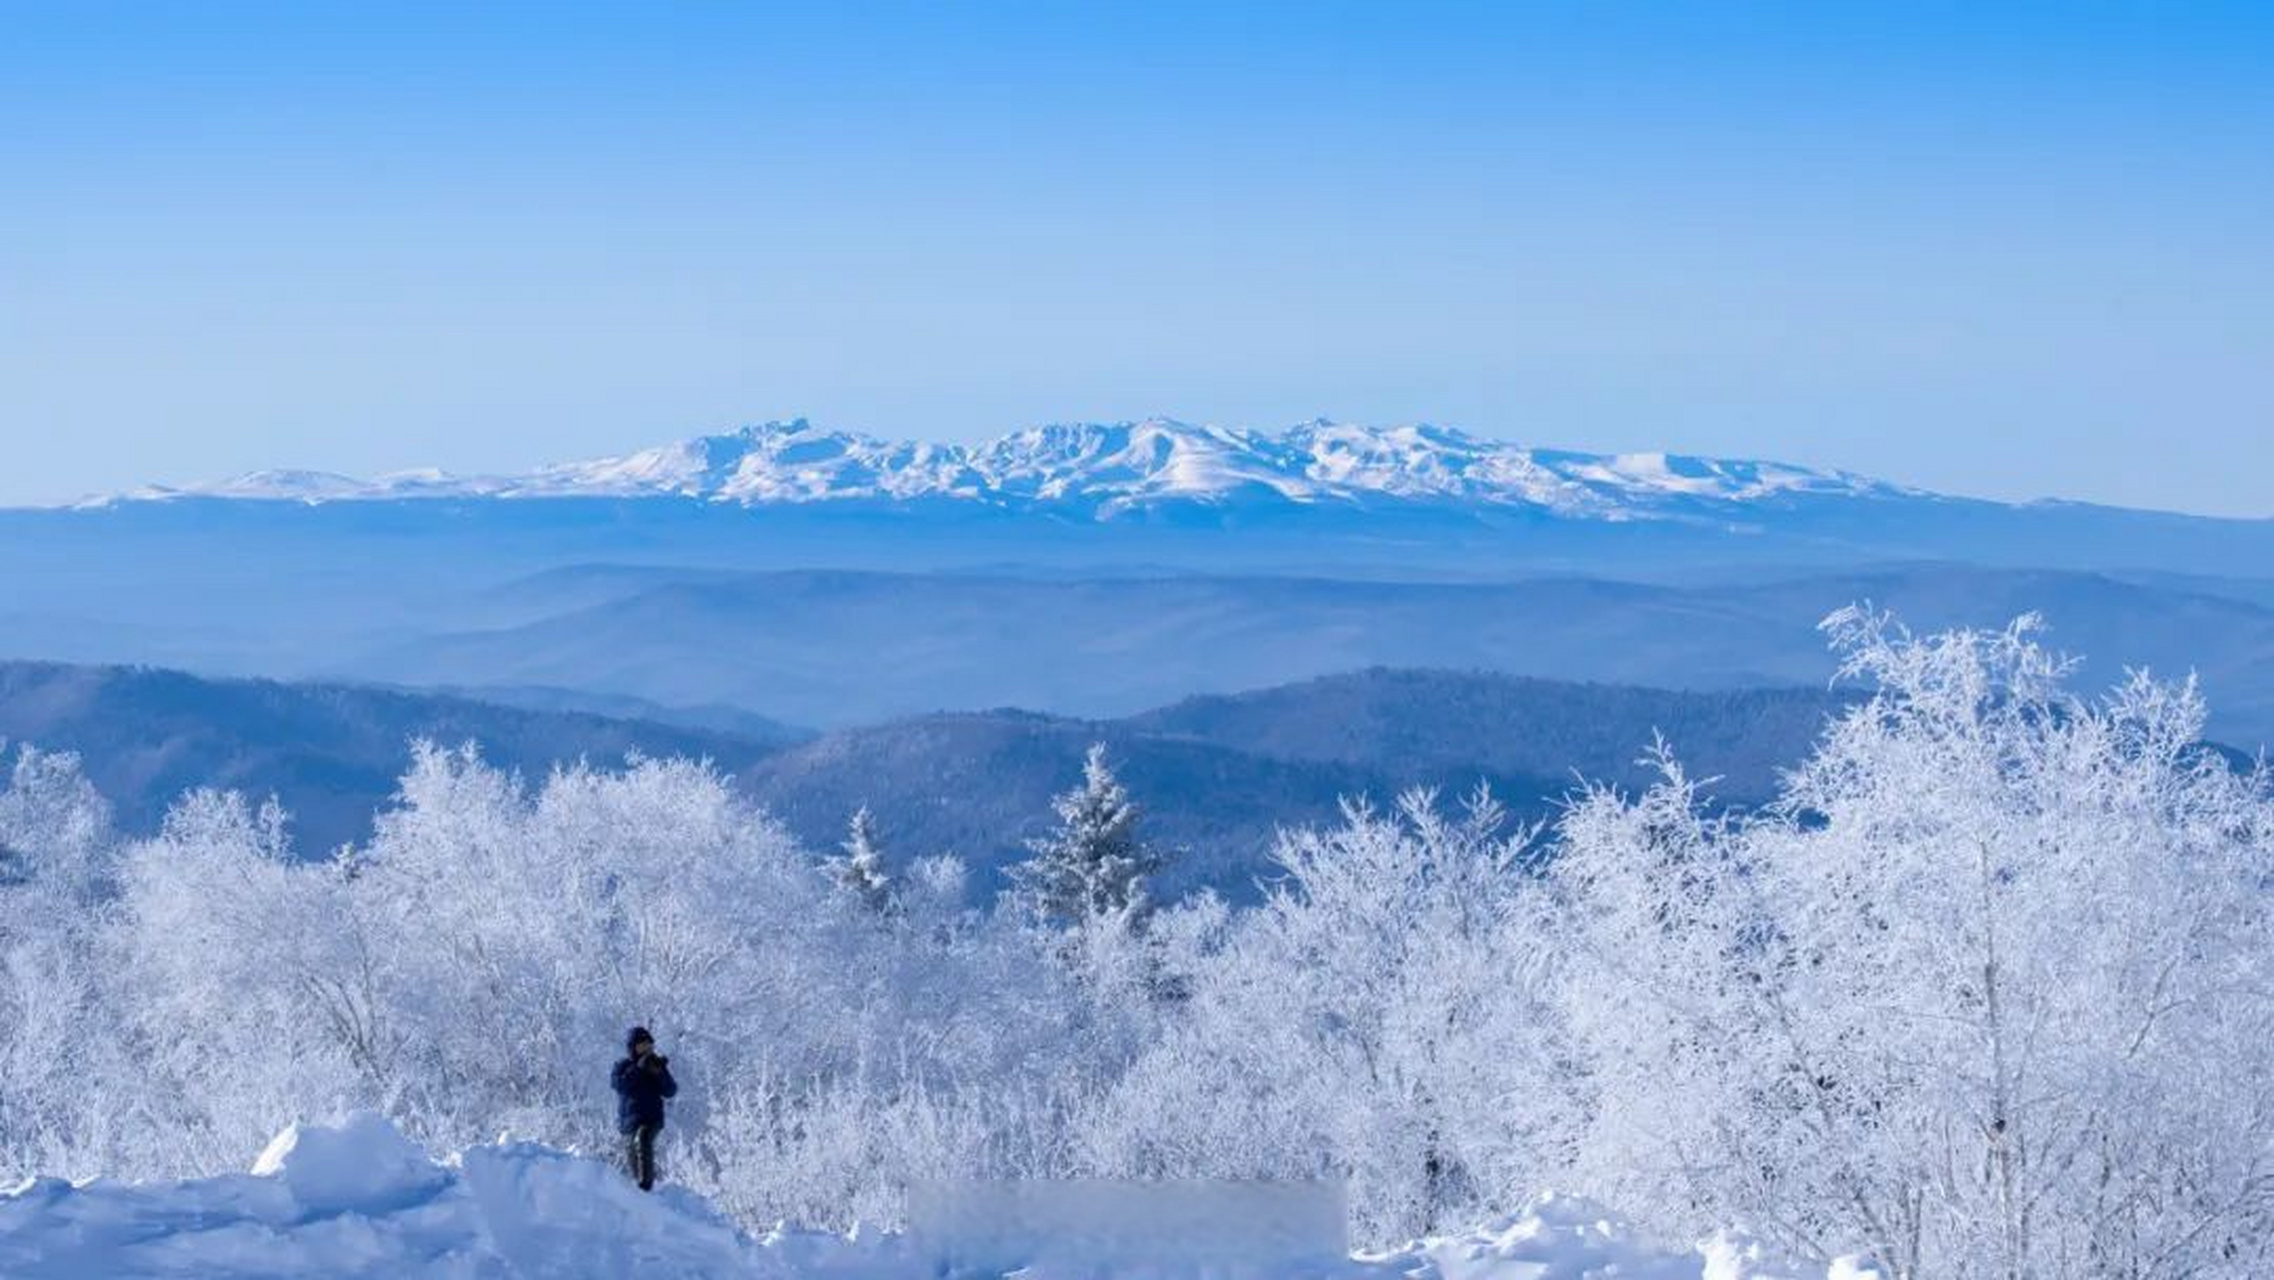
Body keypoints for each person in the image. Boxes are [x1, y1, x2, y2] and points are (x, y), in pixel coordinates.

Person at [611, 1025, 678, 1191]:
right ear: (632, 1047)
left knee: (643, 1139)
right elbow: (620, 1085)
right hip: (629, 1123)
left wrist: (660, 1073)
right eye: (642, 1045)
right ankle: (640, 1196)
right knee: (632, 1158)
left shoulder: (655, 1065)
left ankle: (646, 1186)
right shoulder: (623, 1065)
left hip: (651, 1119)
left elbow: (670, 1091)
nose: (646, 1048)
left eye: (649, 1045)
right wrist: (638, 1069)